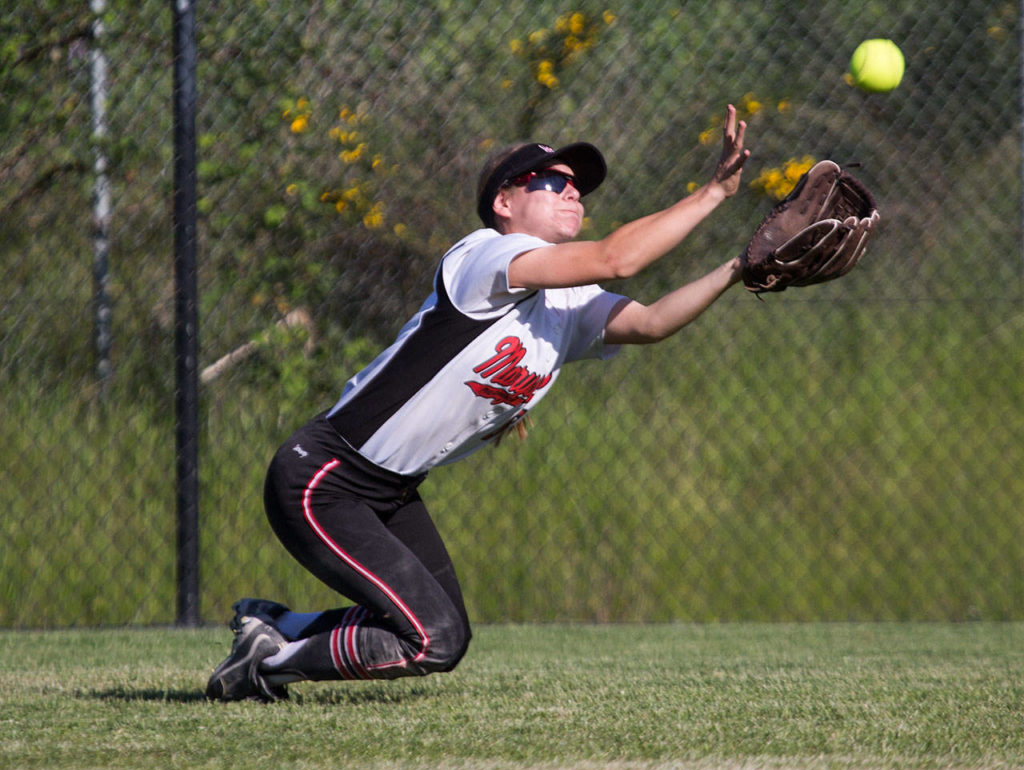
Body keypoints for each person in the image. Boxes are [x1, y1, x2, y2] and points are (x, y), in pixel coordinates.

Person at [205, 104, 750, 702]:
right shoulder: (484, 258)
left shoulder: (566, 309)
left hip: (391, 490)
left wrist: (738, 268)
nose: (573, 194)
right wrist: (713, 193)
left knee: (447, 637)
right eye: (552, 182)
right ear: (504, 203)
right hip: (323, 480)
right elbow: (619, 257)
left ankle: (276, 629)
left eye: (578, 188)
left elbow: (649, 322)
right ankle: (262, 668)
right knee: (429, 639)